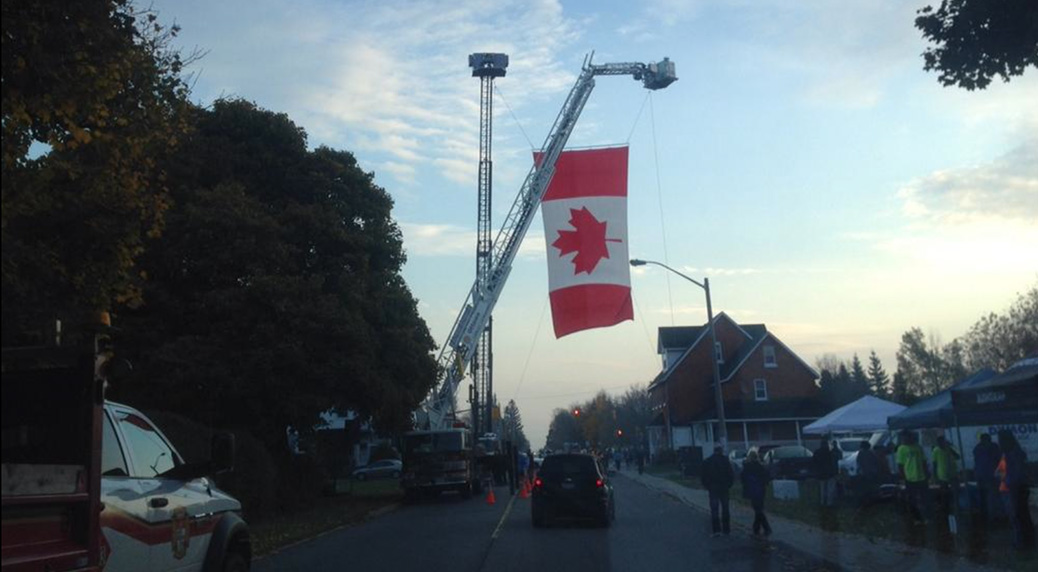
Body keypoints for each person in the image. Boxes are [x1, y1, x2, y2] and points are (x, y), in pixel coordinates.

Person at [995, 430, 1035, 550]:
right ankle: (1023, 541)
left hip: (1013, 489)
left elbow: (1013, 475)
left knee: (1017, 517)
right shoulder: (1008, 454)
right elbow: (1000, 472)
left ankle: (1022, 542)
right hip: (1010, 488)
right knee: (1018, 517)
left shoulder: (1013, 455)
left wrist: (1006, 480)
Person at [895, 431, 929, 524]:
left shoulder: (918, 447)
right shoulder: (901, 449)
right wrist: (903, 477)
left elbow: (924, 461)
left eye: (907, 437)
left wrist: (927, 473)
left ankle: (926, 517)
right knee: (912, 499)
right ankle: (916, 518)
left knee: (924, 498)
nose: (905, 439)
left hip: (921, 476)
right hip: (910, 478)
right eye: (904, 438)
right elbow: (900, 465)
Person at [701, 445, 734, 536]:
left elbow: (703, 476)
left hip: (713, 488)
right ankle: (726, 529)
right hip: (724, 487)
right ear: (721, 451)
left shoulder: (708, 461)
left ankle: (716, 530)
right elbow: (731, 474)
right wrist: (729, 485)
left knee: (714, 510)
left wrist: (708, 486)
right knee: (725, 509)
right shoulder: (725, 460)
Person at [741, 448, 772, 536]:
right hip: (761, 490)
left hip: (752, 490)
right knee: (759, 509)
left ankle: (762, 528)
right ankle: (758, 527)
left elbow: (743, 479)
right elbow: (766, 477)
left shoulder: (747, 467)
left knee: (757, 509)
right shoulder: (760, 466)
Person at [972, 432, 1001, 523]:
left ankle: (985, 516)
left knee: (984, 497)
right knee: (991, 497)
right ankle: (992, 517)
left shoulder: (977, 448)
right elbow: (998, 459)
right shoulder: (993, 447)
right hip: (989, 476)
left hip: (982, 475)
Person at [931, 435, 960, 515]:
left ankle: (956, 509)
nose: (941, 444)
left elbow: (958, 457)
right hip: (942, 476)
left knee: (955, 492)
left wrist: (950, 448)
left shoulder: (949, 448)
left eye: (942, 442)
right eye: (939, 443)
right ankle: (945, 510)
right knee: (944, 494)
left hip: (953, 474)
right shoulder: (935, 450)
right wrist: (935, 476)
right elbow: (934, 464)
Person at [856, 440, 881, 507]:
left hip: (864, 473)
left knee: (864, 488)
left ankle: (865, 501)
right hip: (871, 472)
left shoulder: (860, 453)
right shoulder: (871, 453)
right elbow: (876, 462)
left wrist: (860, 471)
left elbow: (858, 463)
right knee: (871, 487)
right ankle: (871, 500)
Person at [812, 439, 838, 506]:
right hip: (830, 473)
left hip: (820, 473)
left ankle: (822, 502)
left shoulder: (817, 452)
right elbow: (834, 462)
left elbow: (814, 463)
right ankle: (829, 503)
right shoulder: (830, 453)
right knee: (830, 489)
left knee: (822, 489)